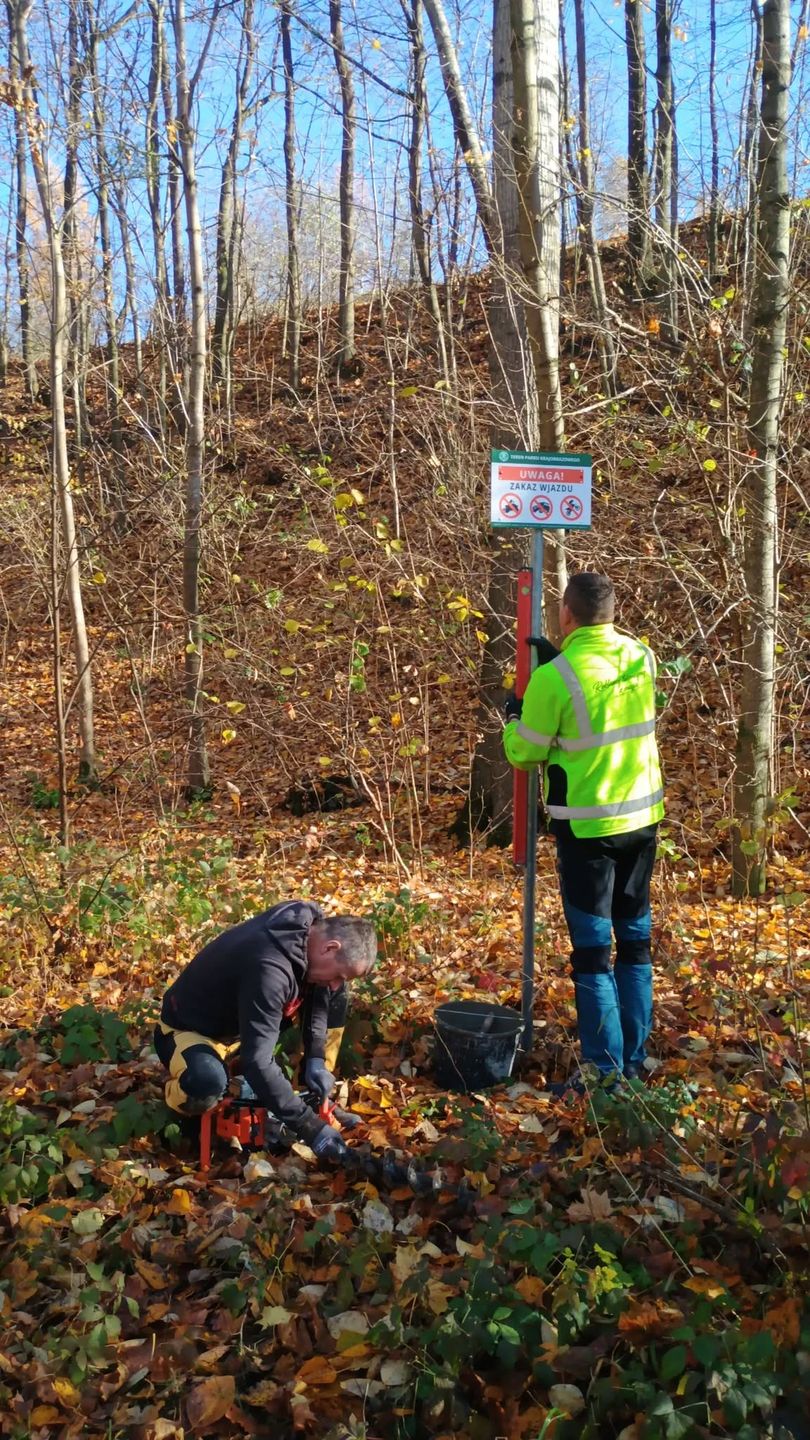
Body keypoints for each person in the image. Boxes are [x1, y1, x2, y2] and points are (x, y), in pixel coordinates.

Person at [503, 572, 664, 1084]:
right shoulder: (641, 656)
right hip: (642, 821)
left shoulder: (556, 678)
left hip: (589, 833)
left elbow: (525, 752)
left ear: (566, 616)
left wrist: (513, 718)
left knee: (593, 951)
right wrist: (558, 662)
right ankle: (633, 1061)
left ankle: (604, 1070)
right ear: (612, 613)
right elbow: (604, 701)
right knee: (635, 941)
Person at [154, 901, 377, 1161]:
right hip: (191, 1030)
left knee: (334, 994)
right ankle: (180, 1110)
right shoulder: (269, 968)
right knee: (206, 1082)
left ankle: (316, 1095)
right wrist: (310, 1129)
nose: (337, 983)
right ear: (330, 947)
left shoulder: (309, 926)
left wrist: (316, 1059)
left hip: (243, 1026)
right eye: (340, 974)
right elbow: (256, 1063)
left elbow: (317, 996)